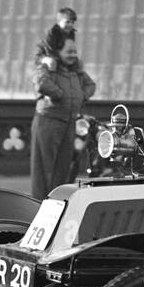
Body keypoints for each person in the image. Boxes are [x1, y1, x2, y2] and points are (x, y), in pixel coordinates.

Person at [31, 35, 96, 199]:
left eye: (75, 51)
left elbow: (91, 85)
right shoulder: (48, 66)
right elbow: (40, 83)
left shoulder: (75, 70)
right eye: (69, 51)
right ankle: (39, 205)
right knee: (45, 170)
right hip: (49, 121)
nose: (73, 55)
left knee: (63, 168)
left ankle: (58, 204)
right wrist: (59, 95)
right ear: (58, 52)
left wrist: (81, 96)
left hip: (68, 122)